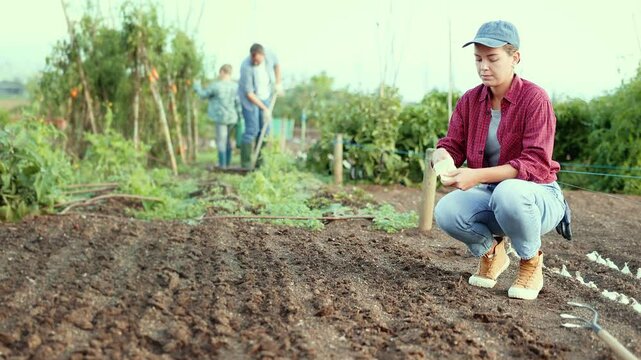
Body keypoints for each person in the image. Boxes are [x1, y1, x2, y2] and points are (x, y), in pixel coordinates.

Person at [432, 20, 566, 300]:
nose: (483, 67)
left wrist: (476, 175)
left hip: (537, 196)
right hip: (493, 195)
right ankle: (492, 252)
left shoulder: (535, 99)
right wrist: (442, 156)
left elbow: (535, 164)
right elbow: (452, 145)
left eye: (492, 59)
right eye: (478, 59)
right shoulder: (470, 101)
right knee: (446, 211)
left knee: (509, 192)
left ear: (515, 58)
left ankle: (531, 262)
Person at [237, 43, 283, 168]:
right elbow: (249, 94)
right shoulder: (246, 66)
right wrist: (265, 109)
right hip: (250, 100)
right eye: (253, 59)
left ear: (263, 55)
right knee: (252, 129)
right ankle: (246, 164)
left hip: (266, 96)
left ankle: (259, 164)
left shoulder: (270, 55)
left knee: (265, 130)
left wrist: (278, 83)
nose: (255, 62)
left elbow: (277, 65)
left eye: (257, 60)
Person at [194, 64, 242, 168]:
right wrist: (240, 117)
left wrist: (197, 86)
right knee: (228, 140)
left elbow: (203, 95)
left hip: (220, 117)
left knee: (221, 141)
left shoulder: (216, 86)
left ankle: (222, 165)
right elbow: (238, 103)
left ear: (222, 72)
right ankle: (227, 164)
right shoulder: (236, 86)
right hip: (232, 118)